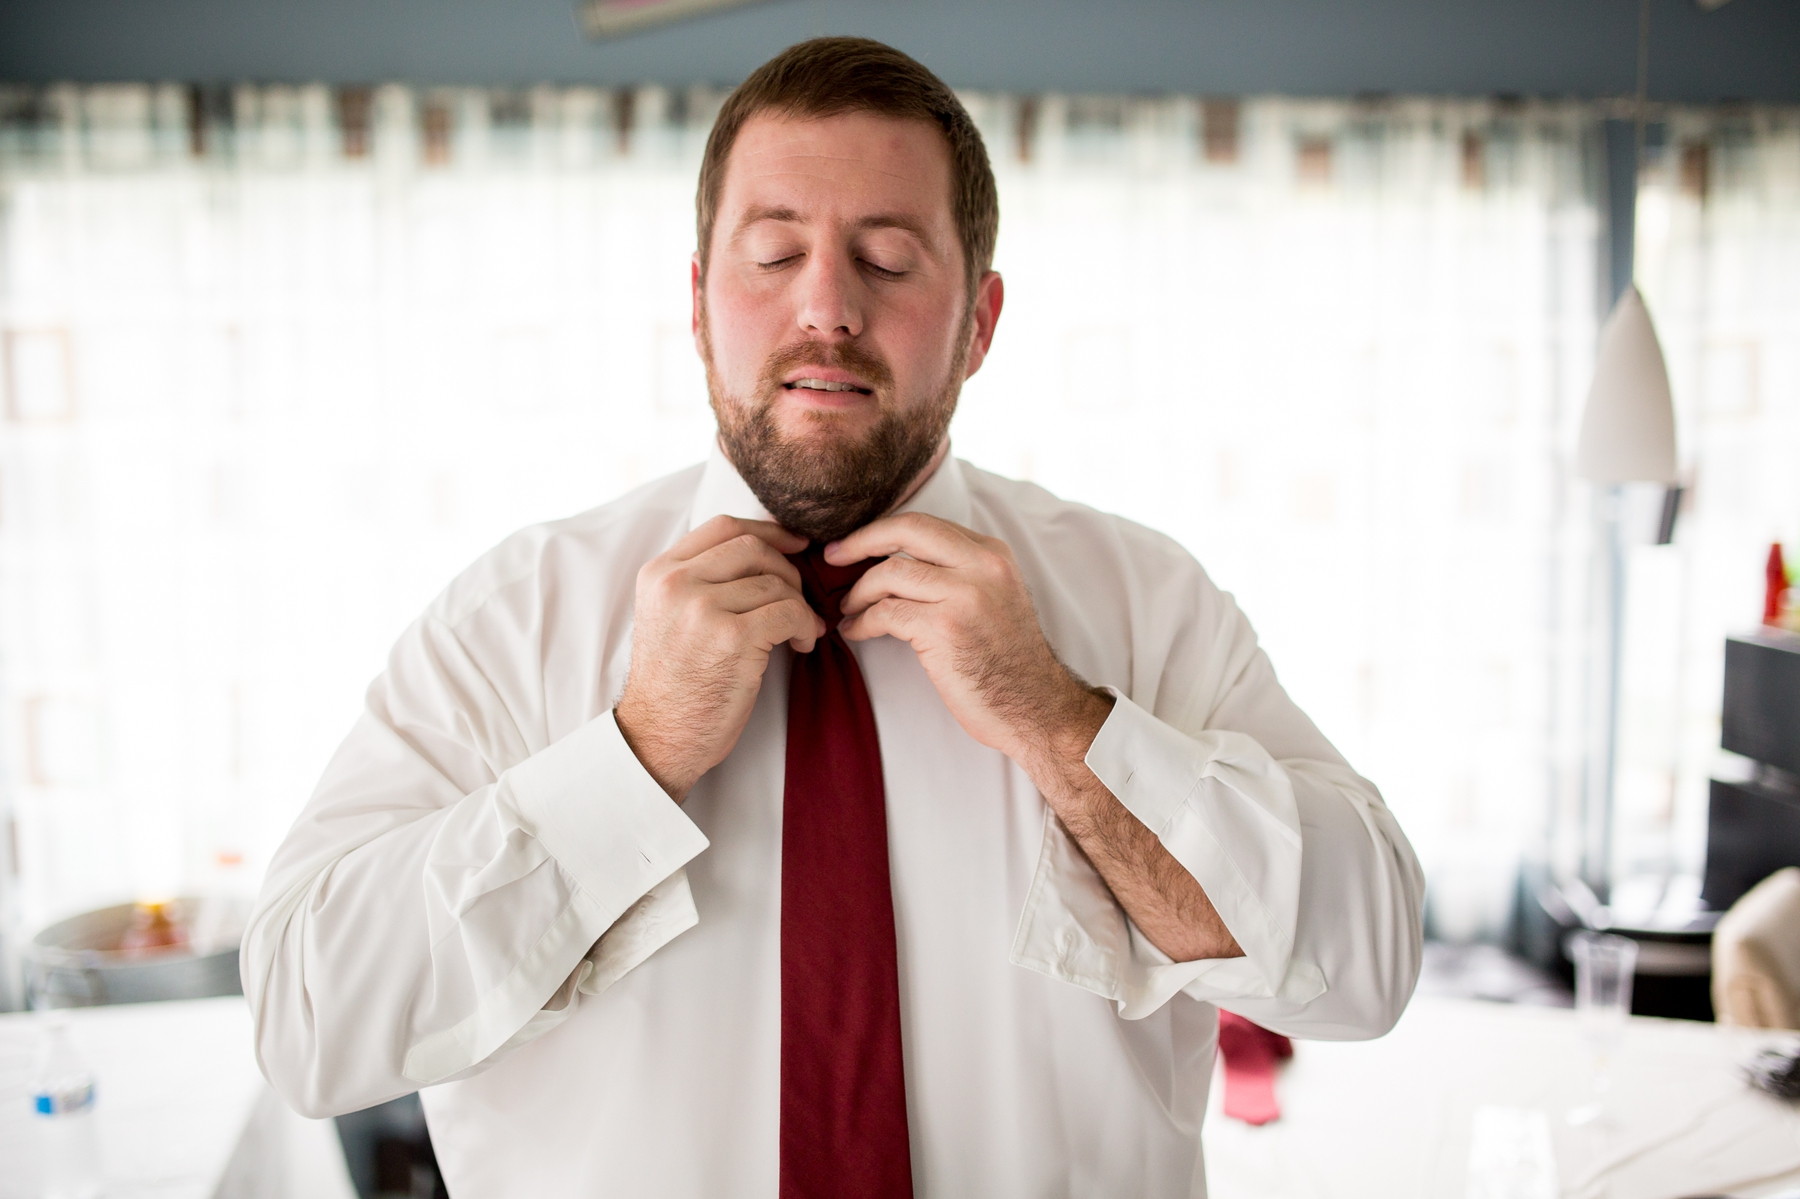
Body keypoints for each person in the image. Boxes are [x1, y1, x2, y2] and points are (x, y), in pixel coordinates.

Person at [243, 36, 1424, 1197]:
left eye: (891, 258)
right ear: (700, 306)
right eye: (772, 253)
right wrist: (634, 754)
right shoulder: (511, 621)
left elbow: (1365, 968)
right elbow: (307, 1022)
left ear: (979, 321)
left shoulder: (1146, 602)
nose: (826, 306)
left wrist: (1066, 727)